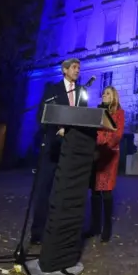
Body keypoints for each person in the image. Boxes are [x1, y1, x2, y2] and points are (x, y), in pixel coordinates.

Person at [30, 58, 88, 245]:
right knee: (45, 190)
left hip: (72, 150)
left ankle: (61, 232)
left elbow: (83, 118)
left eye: (79, 68)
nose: (77, 70)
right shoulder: (52, 90)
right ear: (64, 70)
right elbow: (42, 116)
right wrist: (58, 130)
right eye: (74, 67)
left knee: (65, 192)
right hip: (52, 148)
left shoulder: (82, 92)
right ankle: (38, 232)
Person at [88, 86, 125, 242]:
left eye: (107, 93)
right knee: (95, 192)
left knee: (106, 191)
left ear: (114, 97)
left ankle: (107, 227)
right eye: (103, 93)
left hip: (109, 155)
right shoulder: (97, 111)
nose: (104, 95)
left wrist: (103, 145)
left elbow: (117, 134)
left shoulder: (119, 113)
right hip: (94, 154)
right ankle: (95, 226)